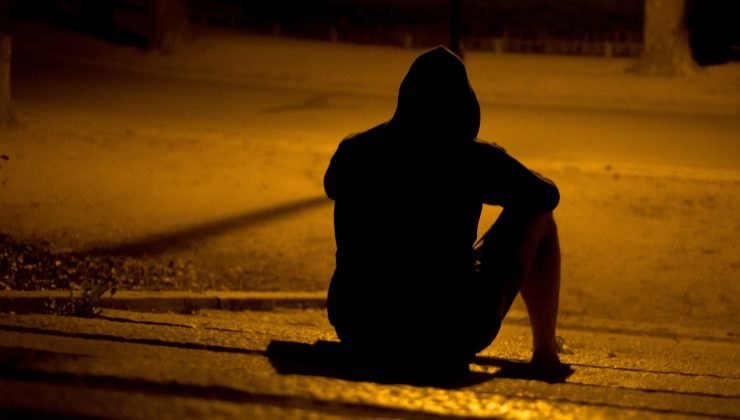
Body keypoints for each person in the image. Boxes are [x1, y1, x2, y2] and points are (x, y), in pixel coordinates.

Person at [324, 46, 563, 373]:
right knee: (540, 217)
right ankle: (546, 351)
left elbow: (332, 185)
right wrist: (496, 163)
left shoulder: (355, 150)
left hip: (358, 326)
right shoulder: (473, 158)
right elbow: (547, 195)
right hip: (452, 331)